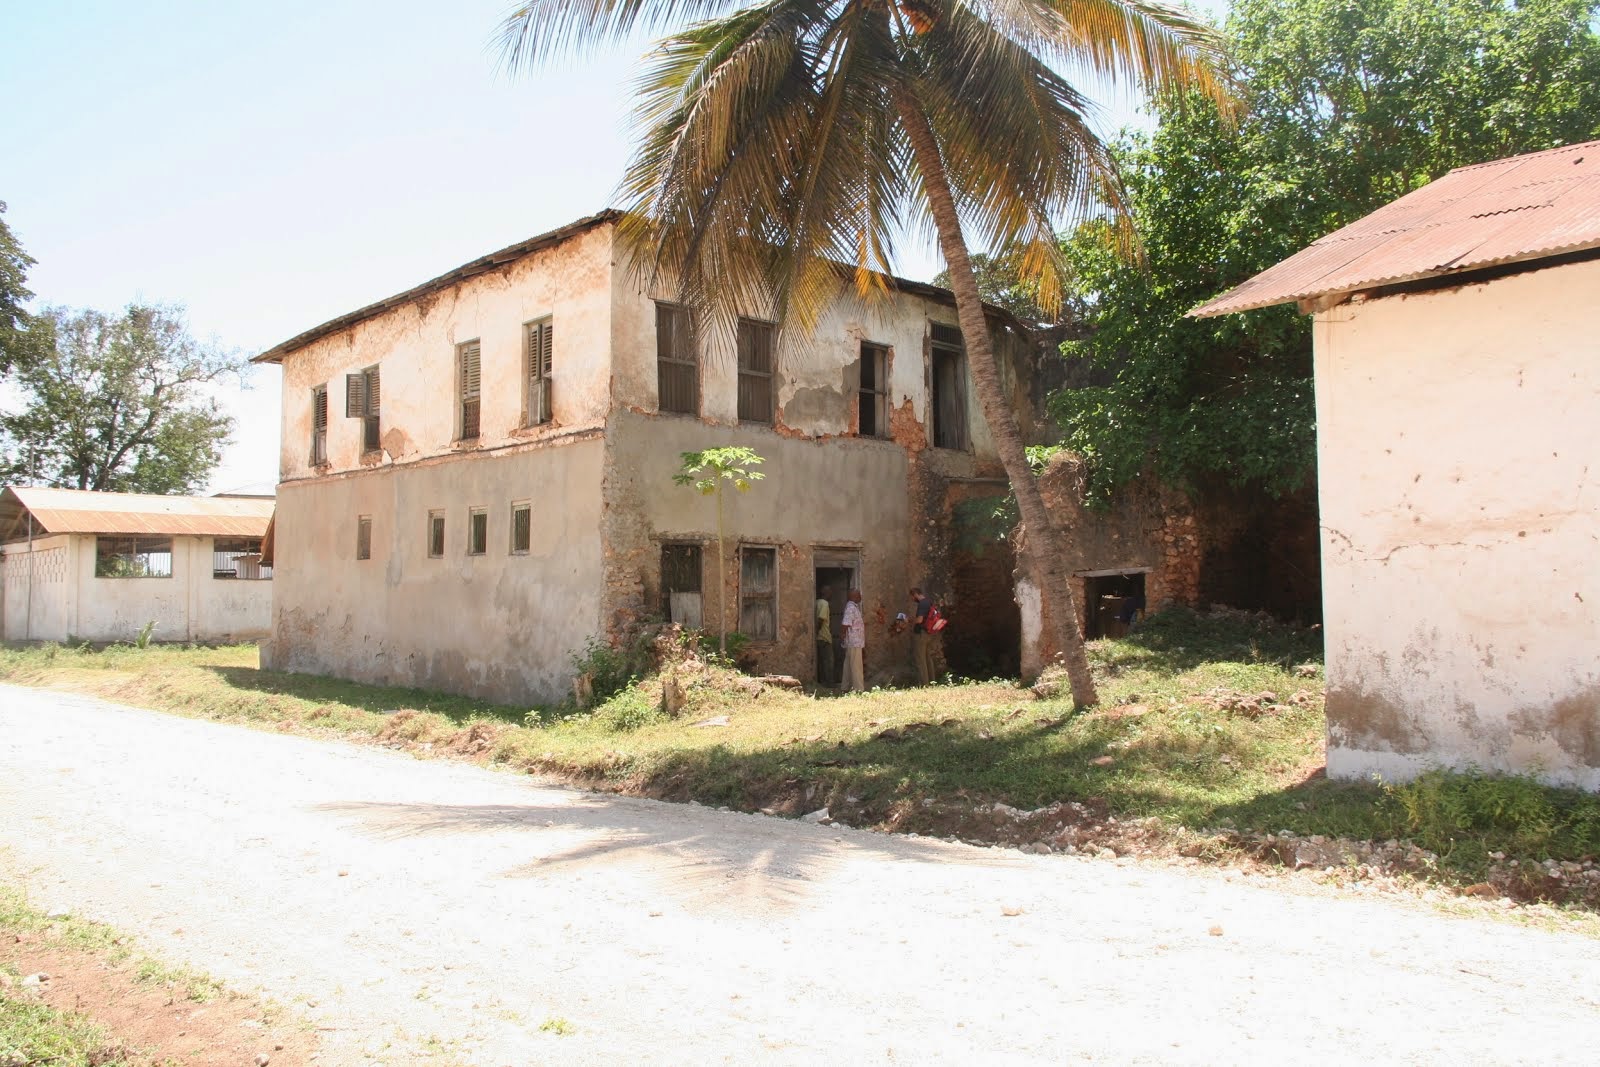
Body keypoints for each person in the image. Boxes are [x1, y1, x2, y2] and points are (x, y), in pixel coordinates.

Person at [840, 588, 866, 692]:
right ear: (854, 596)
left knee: (848, 665)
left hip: (853, 641)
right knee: (856, 666)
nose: (860, 597)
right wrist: (842, 635)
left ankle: (845, 687)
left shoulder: (853, 607)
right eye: (859, 595)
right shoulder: (851, 608)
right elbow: (846, 623)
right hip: (854, 641)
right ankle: (859, 689)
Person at [909, 587, 935, 686]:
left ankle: (924, 684)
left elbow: (919, 620)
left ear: (915, 594)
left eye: (912, 597)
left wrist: (909, 621)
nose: (912, 599)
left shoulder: (922, 604)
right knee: (928, 658)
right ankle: (932, 682)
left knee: (920, 659)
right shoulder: (929, 602)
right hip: (928, 633)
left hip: (921, 634)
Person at [815, 584, 835, 689]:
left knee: (821, 661)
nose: (831, 594)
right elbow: (821, 619)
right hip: (824, 637)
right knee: (829, 661)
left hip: (819, 637)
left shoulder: (816, 602)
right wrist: (817, 632)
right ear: (825, 592)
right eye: (830, 591)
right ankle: (829, 684)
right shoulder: (825, 604)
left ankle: (822, 683)